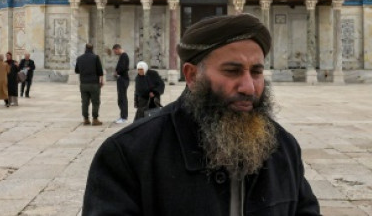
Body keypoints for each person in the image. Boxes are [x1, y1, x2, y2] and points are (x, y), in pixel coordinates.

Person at [83, 13, 320, 215]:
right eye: (232, 71)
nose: (249, 87)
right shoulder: (130, 155)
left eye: (256, 72)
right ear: (192, 76)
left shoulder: (283, 148)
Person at [75, 43, 104, 126]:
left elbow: (77, 70)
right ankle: (95, 119)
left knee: (84, 102)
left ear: (85, 48)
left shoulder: (79, 58)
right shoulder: (95, 57)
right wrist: (101, 81)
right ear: (92, 48)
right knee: (95, 102)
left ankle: (86, 119)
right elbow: (100, 71)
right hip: (94, 83)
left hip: (83, 83)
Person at [112, 44, 130, 124]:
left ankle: (124, 117)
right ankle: (122, 116)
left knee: (122, 99)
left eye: (115, 51)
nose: (115, 53)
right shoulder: (123, 56)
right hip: (122, 79)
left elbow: (123, 68)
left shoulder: (124, 56)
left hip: (123, 79)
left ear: (117, 49)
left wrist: (117, 72)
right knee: (121, 99)